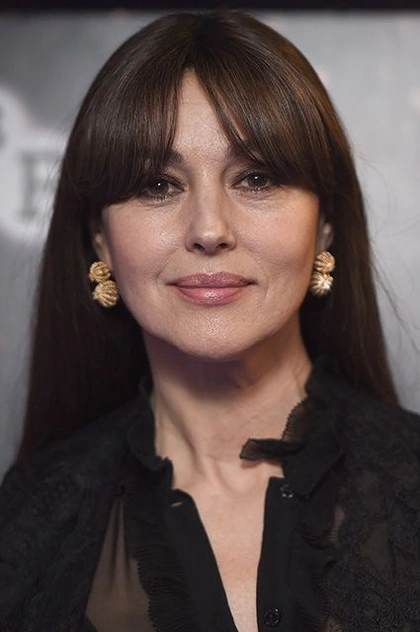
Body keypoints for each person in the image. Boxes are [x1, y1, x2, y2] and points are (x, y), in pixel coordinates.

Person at [1, 9, 420, 632]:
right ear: (100, 239)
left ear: (325, 225)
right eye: (157, 184)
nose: (208, 229)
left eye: (256, 177)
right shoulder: (26, 523)